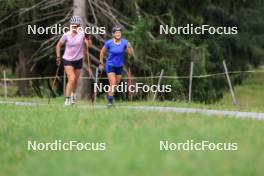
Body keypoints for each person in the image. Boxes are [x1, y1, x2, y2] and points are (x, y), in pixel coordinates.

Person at [56, 16, 92, 106]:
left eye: (77, 25)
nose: (75, 27)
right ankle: (67, 99)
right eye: (73, 25)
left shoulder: (82, 34)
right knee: (71, 79)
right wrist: (58, 57)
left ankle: (73, 95)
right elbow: (58, 45)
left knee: (75, 80)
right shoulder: (66, 35)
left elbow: (89, 46)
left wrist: (88, 38)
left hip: (78, 59)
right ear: (70, 26)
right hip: (67, 59)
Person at [99, 26, 134, 108]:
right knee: (113, 82)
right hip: (110, 65)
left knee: (115, 84)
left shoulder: (125, 42)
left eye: (119, 33)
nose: (118, 34)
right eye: (116, 33)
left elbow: (131, 53)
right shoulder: (109, 43)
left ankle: (110, 98)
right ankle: (110, 103)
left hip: (120, 66)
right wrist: (101, 62)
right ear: (113, 34)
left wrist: (130, 46)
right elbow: (102, 52)